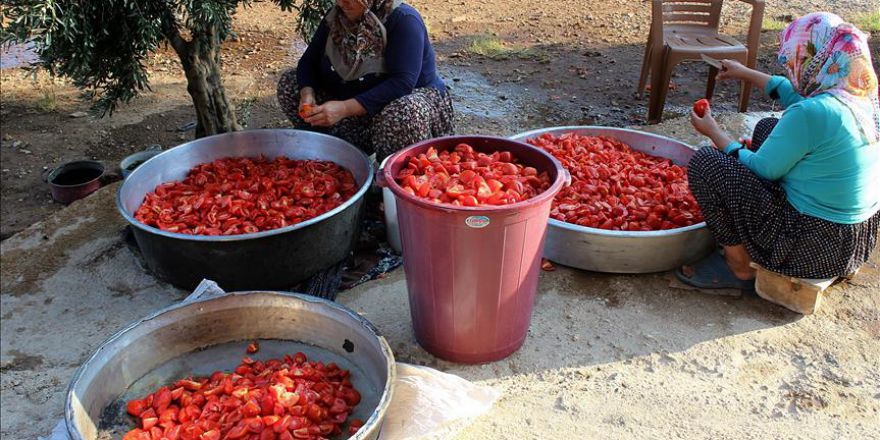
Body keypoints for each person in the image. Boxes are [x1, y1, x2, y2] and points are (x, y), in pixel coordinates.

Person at [677, 12, 880, 292]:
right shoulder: (859, 96)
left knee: (707, 163)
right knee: (768, 127)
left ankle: (739, 267)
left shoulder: (812, 112)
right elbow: (794, 95)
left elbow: (763, 169)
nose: (791, 67)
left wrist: (714, 132)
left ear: (813, 60)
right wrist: (743, 72)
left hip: (809, 248)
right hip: (852, 243)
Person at [277, 0, 454, 162]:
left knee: (404, 112)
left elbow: (402, 83)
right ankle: (329, 154)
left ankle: (392, 174)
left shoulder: (403, 20)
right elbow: (309, 61)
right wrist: (307, 95)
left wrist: (344, 108)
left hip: (398, 108)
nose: (342, 3)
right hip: (355, 104)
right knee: (290, 83)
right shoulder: (337, 16)